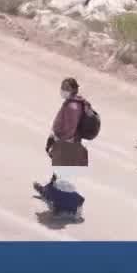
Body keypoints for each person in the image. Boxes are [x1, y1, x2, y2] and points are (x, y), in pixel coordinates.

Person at [34, 77, 87, 222]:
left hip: (68, 145)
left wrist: (56, 138)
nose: (61, 89)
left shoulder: (72, 107)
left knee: (63, 181)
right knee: (60, 176)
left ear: (71, 90)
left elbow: (69, 130)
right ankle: (51, 194)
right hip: (68, 144)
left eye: (64, 87)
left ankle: (73, 205)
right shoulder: (74, 103)